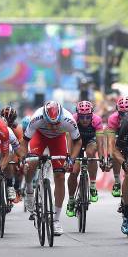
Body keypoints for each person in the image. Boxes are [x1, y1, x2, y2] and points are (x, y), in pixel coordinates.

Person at [20, 101, 81, 236]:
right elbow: (24, 141)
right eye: (49, 123)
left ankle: (56, 220)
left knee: (60, 176)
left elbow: (78, 142)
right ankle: (29, 189)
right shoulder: (37, 118)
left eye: (56, 124)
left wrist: (71, 160)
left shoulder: (68, 119)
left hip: (58, 140)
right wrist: (23, 159)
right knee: (32, 162)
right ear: (44, 117)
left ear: (60, 118)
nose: (53, 126)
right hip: (39, 137)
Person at [66, 101, 103, 218]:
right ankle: (71, 201)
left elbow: (100, 141)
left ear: (92, 115)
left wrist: (102, 158)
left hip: (91, 141)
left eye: (88, 117)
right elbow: (69, 140)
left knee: (91, 153)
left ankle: (92, 185)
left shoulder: (97, 120)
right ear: (78, 115)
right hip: (76, 141)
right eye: (82, 117)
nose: (85, 120)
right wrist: (70, 158)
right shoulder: (72, 119)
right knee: (74, 172)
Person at [106, 97, 128, 197]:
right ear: (118, 112)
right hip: (118, 136)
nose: (125, 116)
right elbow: (111, 142)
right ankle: (117, 182)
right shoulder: (113, 118)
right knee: (115, 153)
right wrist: (109, 156)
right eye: (122, 114)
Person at [0, 106, 24, 202]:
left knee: (13, 163)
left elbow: (19, 147)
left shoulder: (17, 129)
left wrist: (18, 161)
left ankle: (13, 186)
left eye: (10, 120)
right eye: (5, 118)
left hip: (12, 147)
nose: (8, 122)